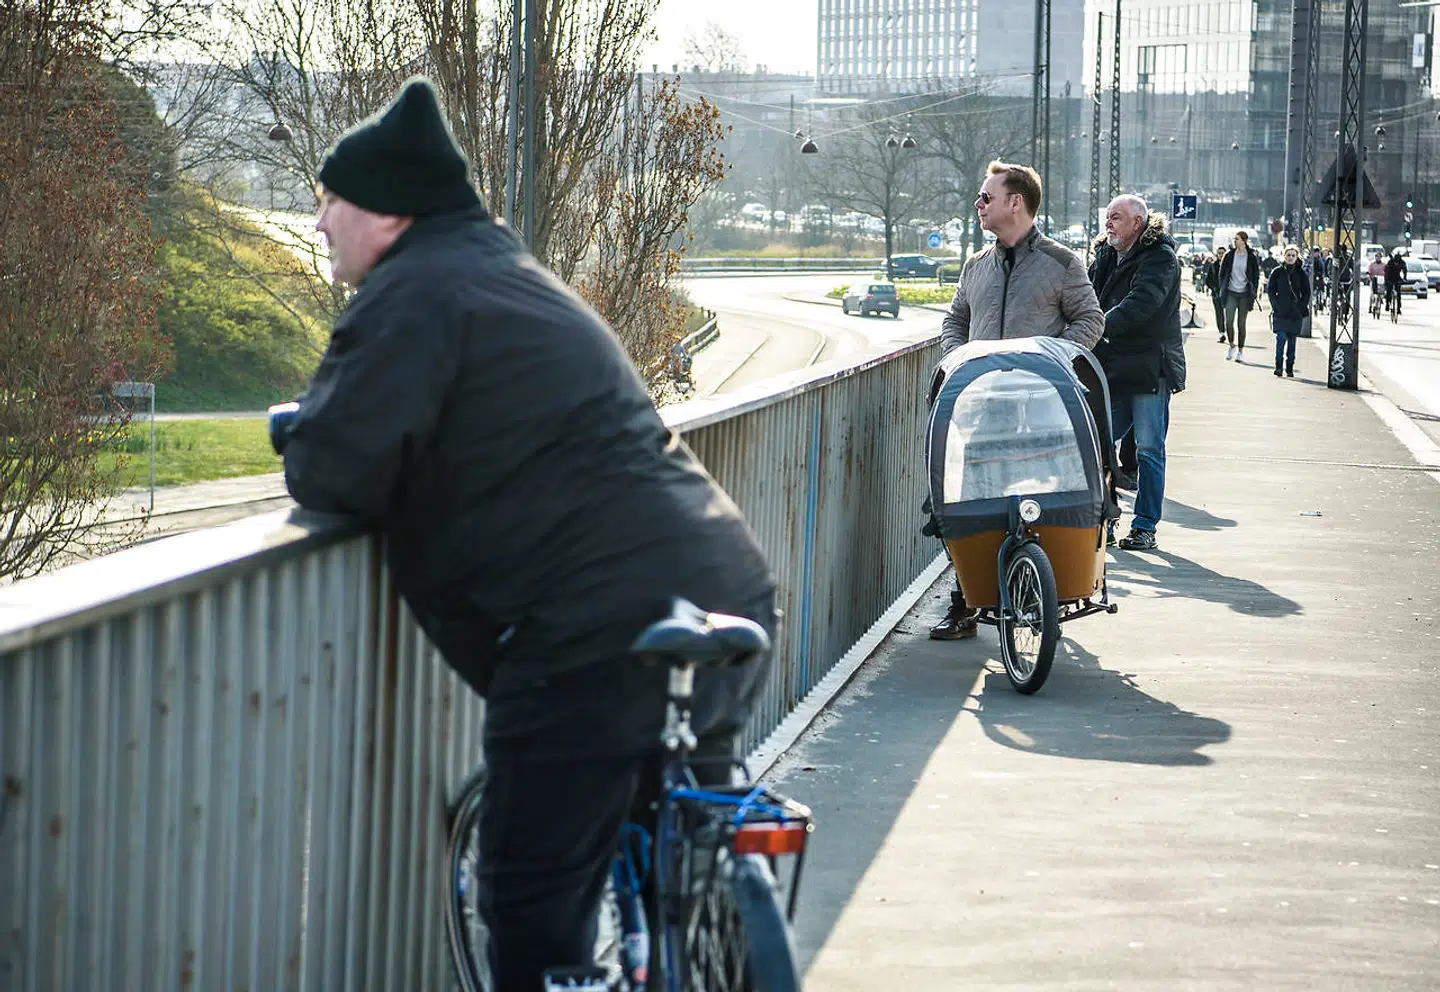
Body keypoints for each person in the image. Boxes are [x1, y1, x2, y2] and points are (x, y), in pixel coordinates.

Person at [275, 78, 776, 991]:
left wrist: (301, 426)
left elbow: (335, 465)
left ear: (384, 213)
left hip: (591, 629)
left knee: (531, 889)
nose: (318, 225)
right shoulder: (505, 272)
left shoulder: (412, 294)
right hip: (723, 579)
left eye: (328, 203)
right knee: (676, 840)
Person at [930, 160, 1104, 639]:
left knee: (1040, 507)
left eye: (986, 196)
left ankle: (1041, 593)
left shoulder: (1062, 263)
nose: (978, 204)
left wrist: (1055, 362)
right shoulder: (975, 266)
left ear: (1015, 202)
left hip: (1041, 416)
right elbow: (953, 322)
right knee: (968, 507)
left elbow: (1091, 320)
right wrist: (959, 362)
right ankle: (965, 602)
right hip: (982, 415)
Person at [1087, 194, 1182, 552]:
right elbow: (1089, 298)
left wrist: (1095, 328)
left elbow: (1142, 303)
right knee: (1097, 444)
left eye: (1116, 217)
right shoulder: (1105, 255)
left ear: (1137, 224)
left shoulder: (1160, 258)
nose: (1108, 223)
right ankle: (1106, 520)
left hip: (1149, 369)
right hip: (1111, 366)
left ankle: (1145, 527)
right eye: (1107, 216)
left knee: (1149, 450)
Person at [1267, 245, 1311, 377]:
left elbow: (1306, 293)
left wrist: (1301, 308)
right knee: (1280, 339)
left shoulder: (1301, 273)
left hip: (1295, 314)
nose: (1290, 257)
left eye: (1293, 255)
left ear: (1297, 257)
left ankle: (1290, 367)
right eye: (1288, 255)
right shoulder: (1277, 272)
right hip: (1280, 312)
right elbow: (1270, 290)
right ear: (1284, 256)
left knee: (1292, 342)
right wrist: (1275, 305)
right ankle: (1278, 366)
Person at [1217, 231, 1260, 362]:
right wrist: (1222, 288)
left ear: (1244, 240)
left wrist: (1254, 292)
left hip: (1245, 294)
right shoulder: (1229, 255)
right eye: (1235, 239)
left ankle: (1241, 351)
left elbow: (1256, 276)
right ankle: (1231, 345)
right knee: (1228, 321)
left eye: (1237, 239)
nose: (1235, 241)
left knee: (1241, 324)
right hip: (1231, 292)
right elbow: (1222, 273)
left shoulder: (1251, 256)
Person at [1204, 246, 1229, 343]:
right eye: (1219, 253)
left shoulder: (1229, 266)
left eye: (1223, 253)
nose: (1221, 255)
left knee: (1228, 314)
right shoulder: (1213, 266)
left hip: (1227, 294)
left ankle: (1229, 331)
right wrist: (1213, 288)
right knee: (1219, 314)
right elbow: (1208, 280)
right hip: (1216, 294)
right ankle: (1221, 333)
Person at [1384, 251, 1408, 316]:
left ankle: (1398, 308)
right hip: (1390, 277)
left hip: (1397, 277)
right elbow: (1386, 271)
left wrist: (1405, 278)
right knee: (1389, 290)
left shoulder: (1402, 262)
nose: (1396, 263)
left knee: (1398, 293)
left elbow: (1405, 270)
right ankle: (1387, 304)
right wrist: (1386, 280)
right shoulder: (1390, 261)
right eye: (1395, 262)